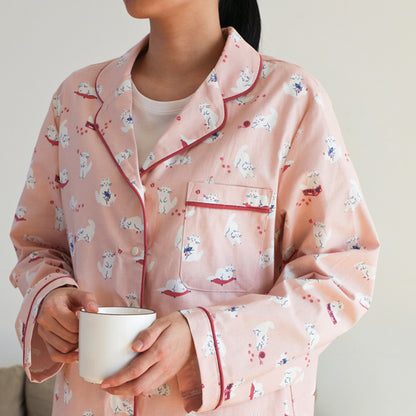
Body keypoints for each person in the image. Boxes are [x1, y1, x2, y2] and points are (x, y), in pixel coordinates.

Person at [8, 0, 381, 415]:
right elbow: (38, 244)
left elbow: (341, 277)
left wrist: (202, 340)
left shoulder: (289, 100)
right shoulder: (77, 100)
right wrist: (50, 296)